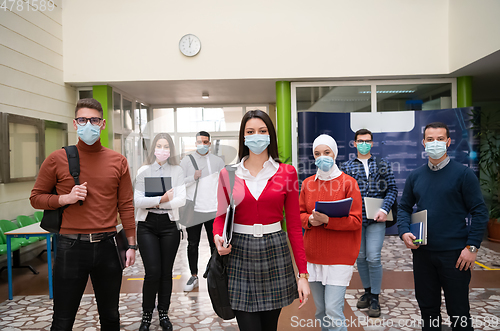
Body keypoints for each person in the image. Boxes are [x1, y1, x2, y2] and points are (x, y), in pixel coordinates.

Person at [30, 98, 136, 331]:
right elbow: (36, 197)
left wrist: (131, 244)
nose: (88, 124)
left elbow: (126, 204)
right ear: (75, 124)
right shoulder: (57, 159)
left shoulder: (118, 161)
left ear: (103, 123)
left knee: (110, 316)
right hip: (70, 247)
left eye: (94, 119)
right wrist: (64, 199)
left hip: (108, 246)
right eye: (83, 119)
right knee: (63, 319)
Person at [213, 110, 310, 331]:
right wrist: (218, 237)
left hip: (274, 249)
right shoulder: (227, 174)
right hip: (239, 251)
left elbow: (294, 226)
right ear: (243, 137)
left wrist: (302, 275)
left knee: (269, 327)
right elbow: (220, 217)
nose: (257, 135)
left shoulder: (287, 173)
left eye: (262, 130)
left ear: (270, 135)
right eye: (250, 131)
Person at [398, 122, 489, 331]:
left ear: (448, 142)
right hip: (423, 254)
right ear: (423, 143)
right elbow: (403, 207)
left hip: (456, 256)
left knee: (459, 312)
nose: (435, 143)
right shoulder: (416, 176)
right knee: (428, 310)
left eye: (440, 139)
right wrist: (404, 231)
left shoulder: (463, 174)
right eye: (430, 139)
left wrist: (472, 247)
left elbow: (480, 211)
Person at [300, 134, 363, 331]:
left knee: (334, 310)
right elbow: (299, 215)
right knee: (320, 311)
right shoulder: (307, 184)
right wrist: (309, 220)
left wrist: (328, 221)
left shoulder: (348, 183)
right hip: (313, 256)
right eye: (317, 153)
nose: (322, 157)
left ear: (334, 154)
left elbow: (356, 221)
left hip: (339, 257)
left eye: (326, 152)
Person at [340, 128, 397, 317]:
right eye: (360, 141)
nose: (364, 144)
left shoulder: (383, 164)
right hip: (355, 221)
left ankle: (375, 296)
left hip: (377, 218)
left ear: (372, 143)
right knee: (361, 257)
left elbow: (392, 190)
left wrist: (384, 209)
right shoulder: (346, 167)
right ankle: (367, 290)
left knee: (373, 257)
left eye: (367, 141)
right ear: (354, 143)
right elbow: (343, 193)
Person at [134, 133, 186, 331]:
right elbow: (137, 201)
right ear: (153, 148)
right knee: (152, 272)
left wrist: (154, 200)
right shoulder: (144, 170)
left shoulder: (177, 170)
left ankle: (163, 313)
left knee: (166, 273)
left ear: (171, 150)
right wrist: (162, 199)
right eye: (159, 145)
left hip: (169, 225)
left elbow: (181, 199)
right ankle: (147, 315)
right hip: (147, 225)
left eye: (166, 146)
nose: (162, 149)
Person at [180, 131, 225, 292]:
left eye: (206, 142)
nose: (203, 145)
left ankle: (216, 275)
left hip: (213, 210)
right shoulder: (187, 161)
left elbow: (222, 184)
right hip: (195, 210)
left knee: (215, 244)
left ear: (210, 144)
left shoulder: (218, 161)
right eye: (200, 142)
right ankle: (194, 276)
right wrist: (193, 177)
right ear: (195, 143)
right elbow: (179, 183)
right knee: (193, 244)